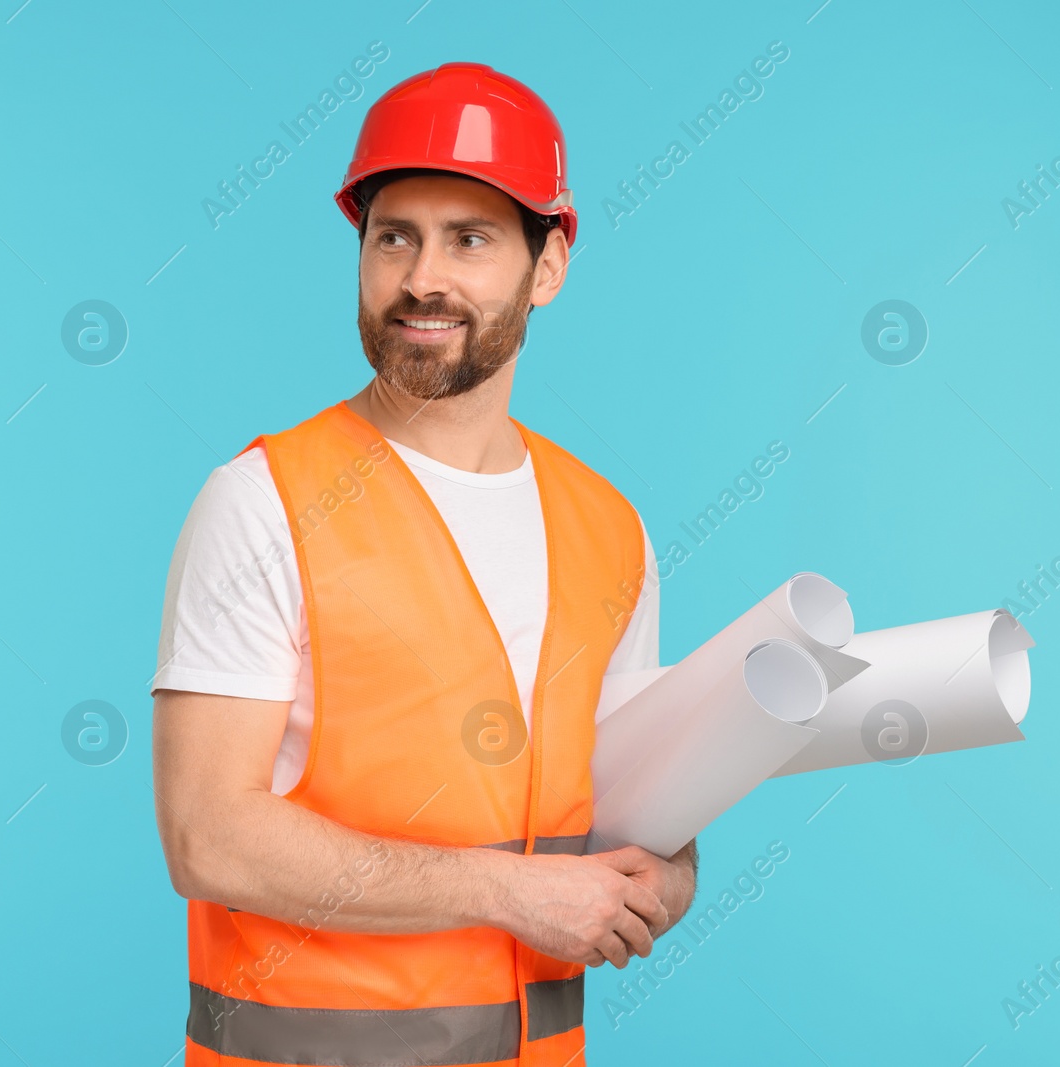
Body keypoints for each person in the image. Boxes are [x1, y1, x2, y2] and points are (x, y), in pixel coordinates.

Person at [152, 62, 697, 1066]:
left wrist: (666, 877)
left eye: (471, 239)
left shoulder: (608, 526)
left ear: (549, 266)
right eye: (393, 235)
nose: (421, 278)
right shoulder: (264, 501)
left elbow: (630, 807)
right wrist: (505, 891)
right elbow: (206, 836)